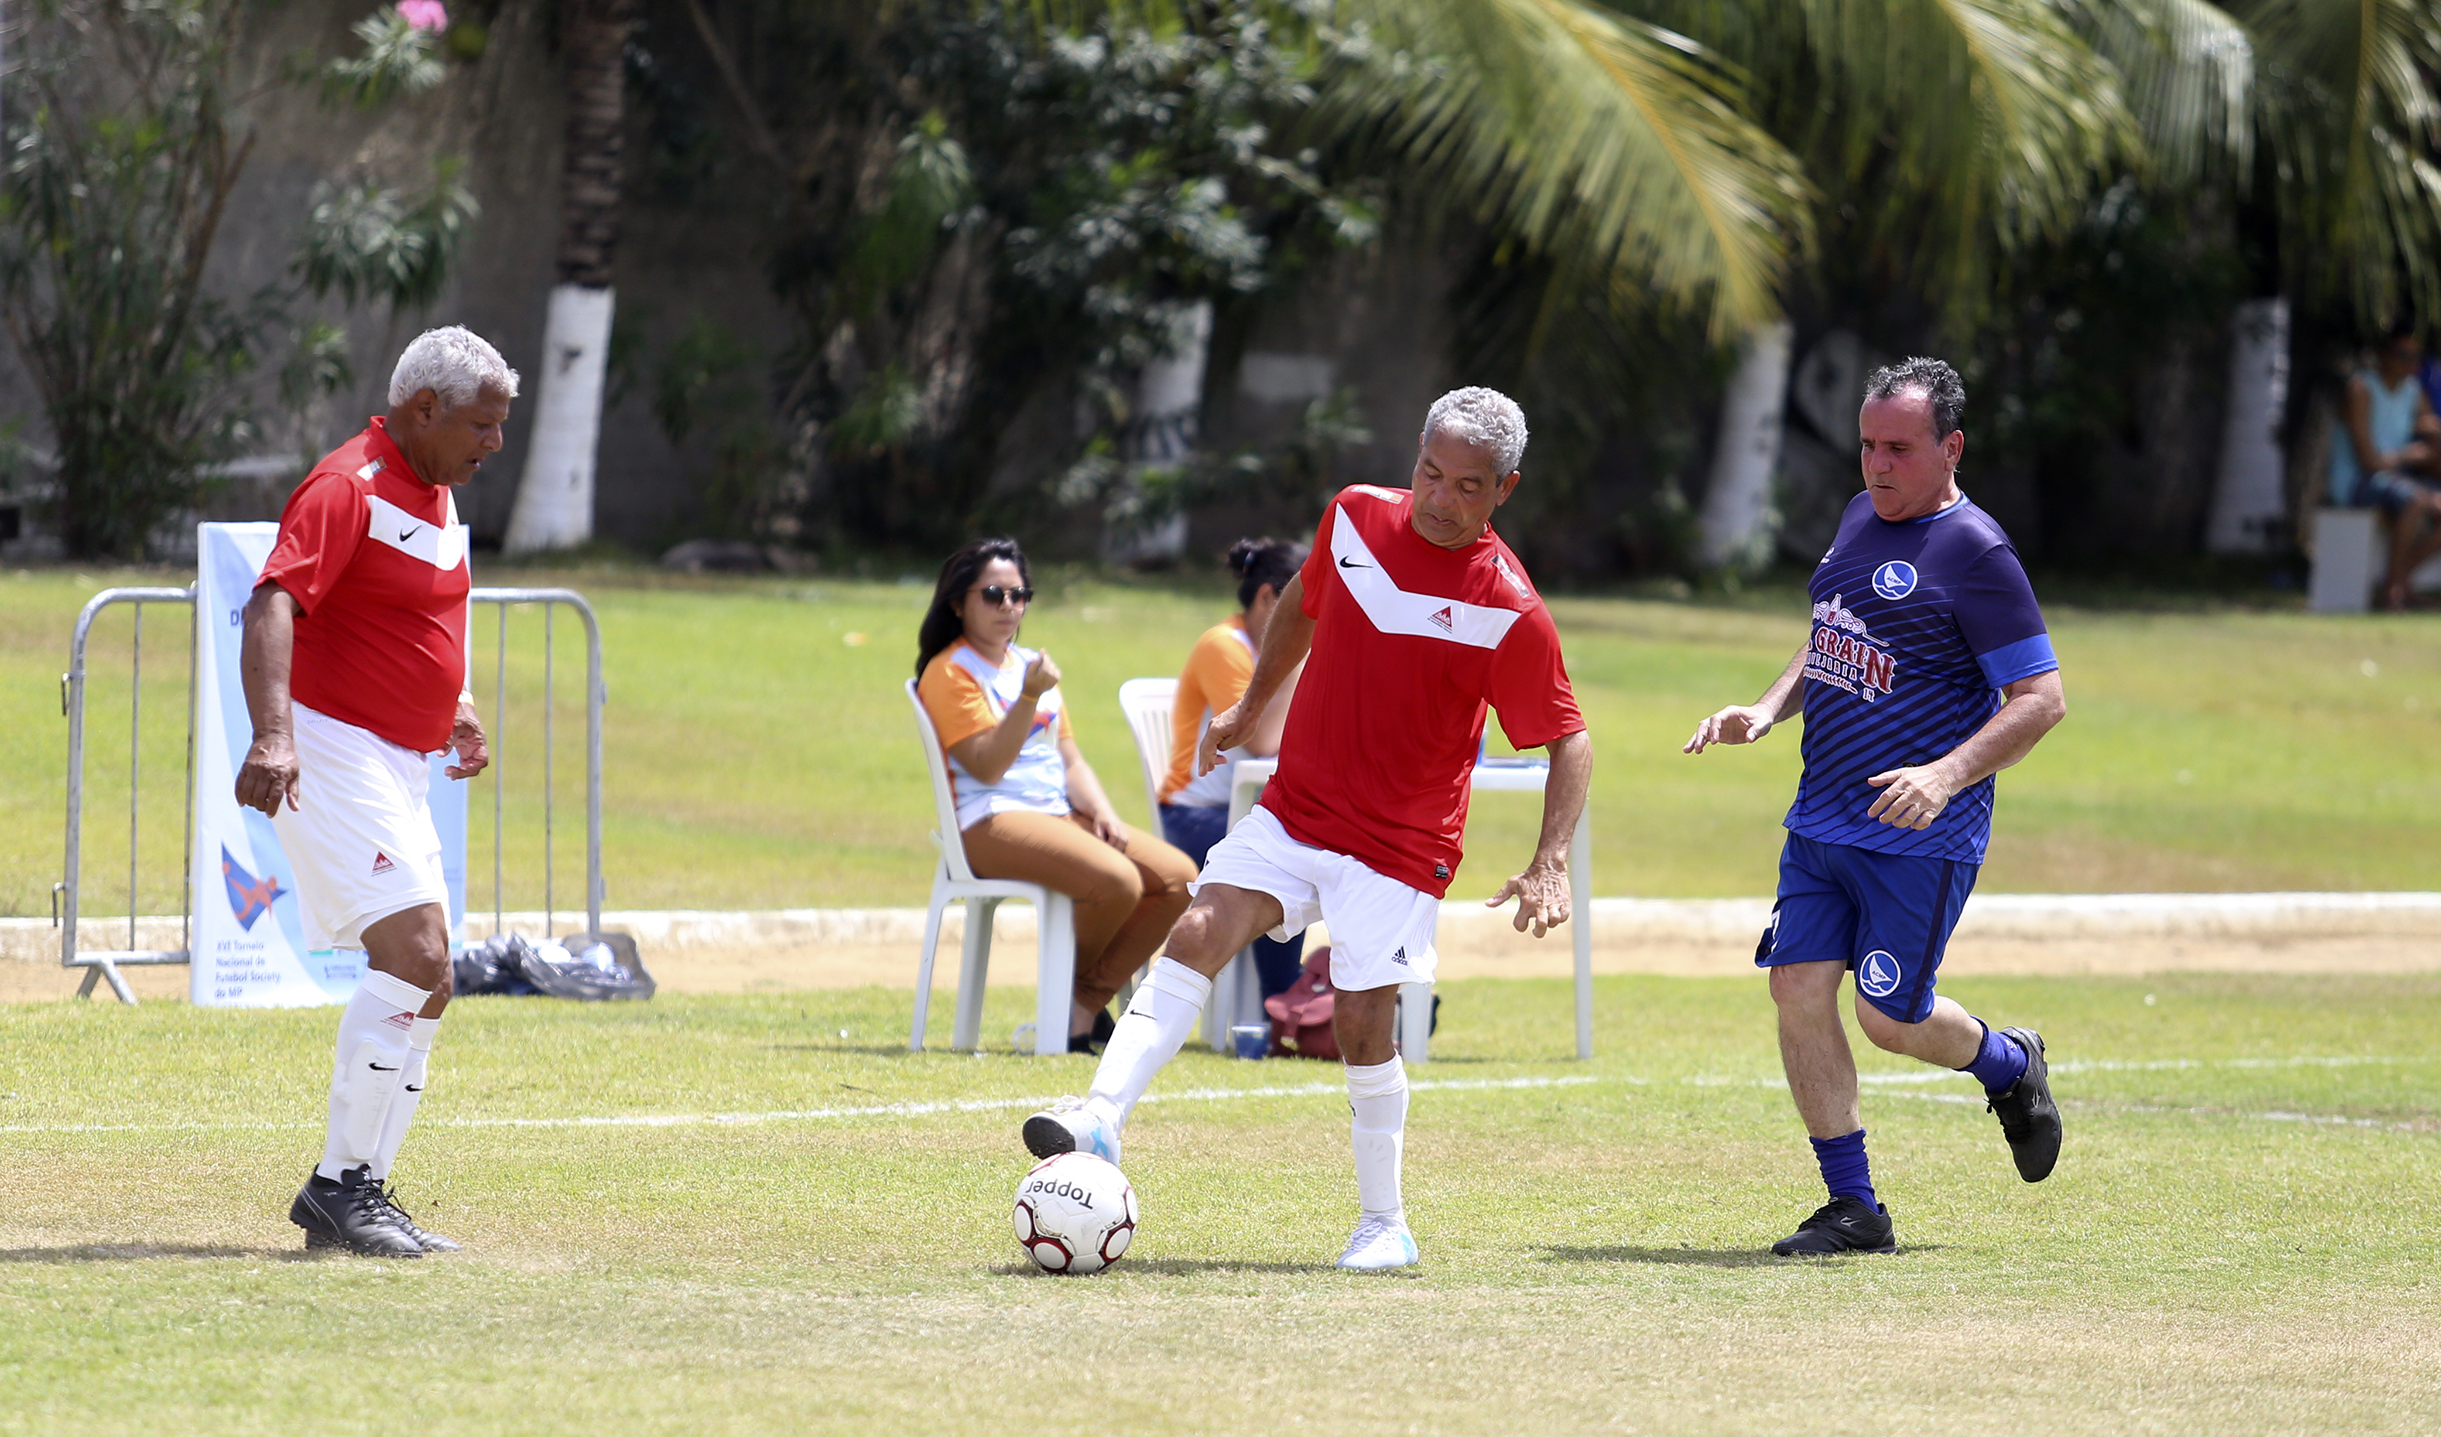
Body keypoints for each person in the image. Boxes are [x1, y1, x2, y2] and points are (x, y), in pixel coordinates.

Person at [1022, 387, 1591, 1272]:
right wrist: (1252, 703)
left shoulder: (1509, 605)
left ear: (1504, 489)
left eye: (1467, 486)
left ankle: (1383, 1223)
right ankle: (1100, 1114)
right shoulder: (1356, 516)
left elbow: (1569, 738)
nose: (1440, 498)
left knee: (1365, 1026)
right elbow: (1300, 600)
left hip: (1402, 846)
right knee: (1200, 924)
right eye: (1429, 472)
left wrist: (1550, 859)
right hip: (1297, 808)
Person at [1684, 357, 2067, 1257]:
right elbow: (1830, 632)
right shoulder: (1861, 516)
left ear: (1950, 447)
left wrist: (1942, 774)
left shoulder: (1977, 552)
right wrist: (1767, 708)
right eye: (1866, 445)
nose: (1875, 464)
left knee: (1889, 1018)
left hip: (1918, 834)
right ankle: (1853, 1207)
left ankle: (2009, 1063)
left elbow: (2040, 699)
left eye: (1898, 447)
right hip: (1818, 820)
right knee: (1797, 988)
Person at [237, 326, 514, 1257]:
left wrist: (459, 704)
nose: (495, 442)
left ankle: (362, 1189)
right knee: (417, 951)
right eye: (482, 423)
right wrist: (273, 735)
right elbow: (273, 598)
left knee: (432, 979)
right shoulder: (343, 486)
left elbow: (427, 619)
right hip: (330, 742)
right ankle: (338, 1186)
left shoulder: (434, 494)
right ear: (423, 408)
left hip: (397, 758)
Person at [915, 538, 1196, 1053]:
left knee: (1179, 880)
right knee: (1117, 881)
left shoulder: (1030, 662)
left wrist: (1104, 811)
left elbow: (1069, 758)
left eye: (1019, 595)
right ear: (958, 603)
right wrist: (1027, 694)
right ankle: (1075, 1006)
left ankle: (1081, 1003)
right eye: (993, 594)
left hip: (1057, 814)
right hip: (988, 819)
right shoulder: (950, 670)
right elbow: (989, 766)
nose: (1009, 607)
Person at [1156, 537, 1308, 1000]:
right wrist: (1301, 653)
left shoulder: (1266, 651)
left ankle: (1336, 990)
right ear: (1268, 598)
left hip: (1246, 806)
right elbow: (1262, 742)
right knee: (1284, 856)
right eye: (1309, 605)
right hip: (1194, 815)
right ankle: (1284, 996)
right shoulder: (1225, 647)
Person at [2329, 321, 2441, 610]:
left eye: (2417, 357)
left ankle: (2400, 580)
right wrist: (2412, 454)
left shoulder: (2413, 391)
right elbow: (2369, 462)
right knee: (2416, 500)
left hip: (2393, 478)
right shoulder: (2360, 389)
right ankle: (2392, 591)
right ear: (2383, 355)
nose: (2412, 363)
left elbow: (2431, 441)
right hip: (2356, 481)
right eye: (2404, 355)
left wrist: (2429, 440)